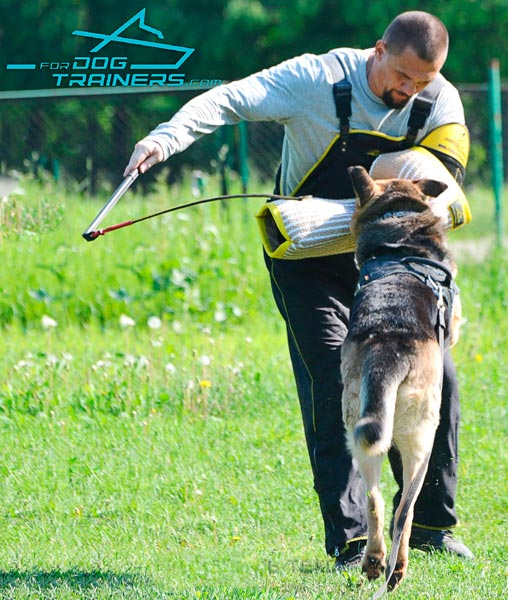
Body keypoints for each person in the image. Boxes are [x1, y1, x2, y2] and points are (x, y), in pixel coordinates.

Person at [124, 10, 473, 569]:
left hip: (391, 262)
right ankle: (354, 538)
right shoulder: (317, 80)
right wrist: (164, 140)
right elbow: (229, 99)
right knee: (334, 374)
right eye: (401, 77)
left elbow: (443, 187)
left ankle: (433, 525)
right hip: (306, 257)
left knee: (440, 379)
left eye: (421, 83)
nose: (408, 92)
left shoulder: (441, 102)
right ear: (377, 48)